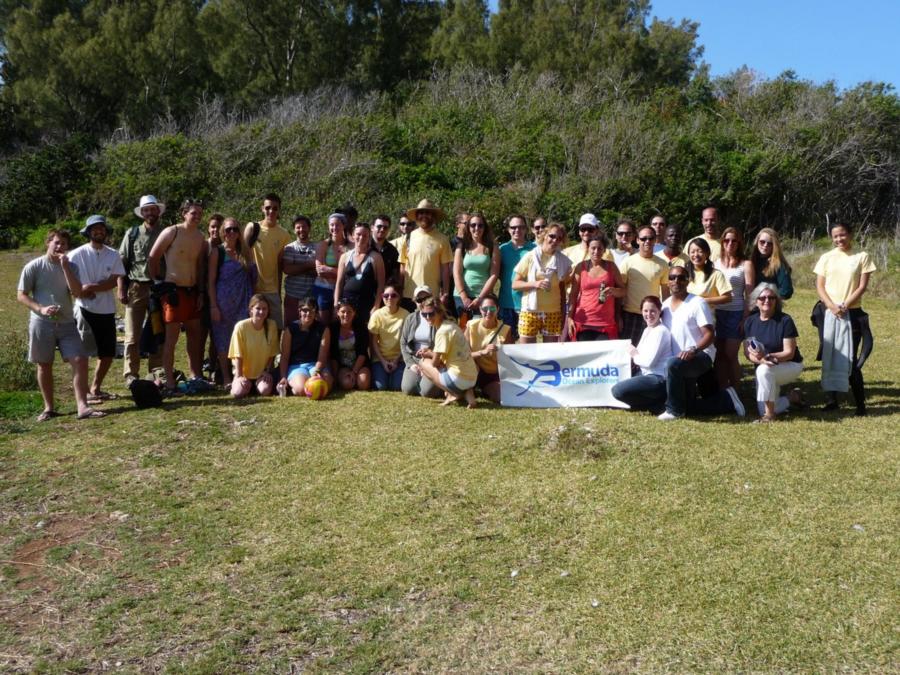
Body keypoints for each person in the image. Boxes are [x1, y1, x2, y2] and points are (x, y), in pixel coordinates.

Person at [17, 229, 102, 420]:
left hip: (66, 322)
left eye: (63, 244)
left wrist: (65, 267)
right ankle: (49, 408)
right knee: (44, 364)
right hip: (41, 323)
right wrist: (41, 309)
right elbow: (21, 295)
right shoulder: (34, 266)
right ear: (48, 243)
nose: (59, 247)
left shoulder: (71, 266)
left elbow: (77, 292)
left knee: (80, 359)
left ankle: (83, 407)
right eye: (56, 242)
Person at [657, 266, 745, 420]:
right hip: (679, 360)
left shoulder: (697, 303)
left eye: (681, 277)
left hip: (700, 356)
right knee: (688, 406)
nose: (676, 280)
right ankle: (728, 400)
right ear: (668, 281)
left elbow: (710, 335)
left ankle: (674, 411)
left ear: (688, 281)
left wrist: (694, 349)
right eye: (672, 277)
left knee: (672, 366)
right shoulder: (664, 305)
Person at [813, 222, 876, 416]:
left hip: (852, 312)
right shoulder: (826, 258)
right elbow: (820, 286)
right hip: (829, 312)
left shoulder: (861, 256)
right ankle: (832, 401)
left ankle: (860, 406)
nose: (839, 239)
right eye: (835, 236)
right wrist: (831, 306)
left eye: (842, 235)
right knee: (831, 354)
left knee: (850, 358)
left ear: (850, 234)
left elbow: (862, 286)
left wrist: (845, 305)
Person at [148, 198, 208, 394]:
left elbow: (199, 267)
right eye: (193, 213)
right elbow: (153, 257)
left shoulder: (200, 237)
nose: (197, 216)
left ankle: (195, 375)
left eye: (199, 213)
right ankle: (170, 381)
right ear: (184, 213)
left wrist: (200, 291)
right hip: (174, 290)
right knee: (171, 338)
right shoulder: (171, 232)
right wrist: (158, 282)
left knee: (194, 336)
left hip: (192, 291)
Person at [64, 215, 125, 404]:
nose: (99, 231)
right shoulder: (76, 254)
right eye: (94, 229)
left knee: (107, 353)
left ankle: (95, 388)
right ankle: (82, 394)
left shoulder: (113, 254)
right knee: (82, 354)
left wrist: (92, 288)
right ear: (89, 232)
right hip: (84, 309)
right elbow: (67, 280)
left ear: (105, 231)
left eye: (101, 228)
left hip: (106, 310)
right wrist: (80, 292)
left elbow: (115, 279)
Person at [118, 195, 165, 384]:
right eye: (146, 210)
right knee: (131, 335)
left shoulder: (166, 233)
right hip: (136, 288)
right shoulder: (132, 234)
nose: (150, 213)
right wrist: (121, 288)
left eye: (153, 209)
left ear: (158, 211)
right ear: (142, 213)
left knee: (158, 332)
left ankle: (155, 371)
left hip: (159, 290)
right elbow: (121, 264)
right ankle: (131, 374)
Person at [209, 217, 258, 389]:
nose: (232, 233)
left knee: (242, 338)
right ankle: (226, 377)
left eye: (235, 229)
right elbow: (211, 281)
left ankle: (242, 374)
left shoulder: (245, 251)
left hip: (243, 300)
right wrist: (213, 305)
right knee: (223, 339)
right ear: (223, 231)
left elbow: (254, 277)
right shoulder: (218, 252)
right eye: (228, 229)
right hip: (223, 302)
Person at [743, 283, 804, 422]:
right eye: (762, 298)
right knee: (762, 406)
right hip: (767, 366)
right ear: (755, 301)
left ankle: (770, 416)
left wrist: (767, 358)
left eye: (771, 298)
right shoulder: (750, 322)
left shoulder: (785, 320)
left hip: (790, 365)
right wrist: (760, 360)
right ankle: (793, 397)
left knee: (763, 371)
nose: (767, 301)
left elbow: (789, 352)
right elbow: (747, 353)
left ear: (777, 301)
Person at [611, 296, 675, 413]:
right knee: (616, 389)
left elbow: (648, 362)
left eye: (653, 311)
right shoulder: (647, 330)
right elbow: (641, 357)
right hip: (644, 374)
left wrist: (634, 354)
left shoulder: (661, 331)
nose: (649, 314)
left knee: (618, 390)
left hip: (657, 378)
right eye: (645, 311)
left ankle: (658, 405)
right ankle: (652, 404)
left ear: (659, 312)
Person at [512, 222, 573, 343]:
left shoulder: (564, 261)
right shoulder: (530, 256)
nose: (555, 240)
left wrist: (562, 314)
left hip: (553, 312)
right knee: (527, 353)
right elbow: (515, 284)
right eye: (552, 236)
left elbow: (562, 289)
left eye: (559, 238)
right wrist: (535, 284)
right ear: (544, 235)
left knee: (549, 354)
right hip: (530, 311)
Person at [416, 298, 478, 408]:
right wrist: (431, 352)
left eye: (431, 314)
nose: (427, 318)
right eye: (424, 314)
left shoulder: (442, 332)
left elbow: (435, 363)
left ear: (440, 313)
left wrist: (428, 355)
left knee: (423, 362)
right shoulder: (452, 325)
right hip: (472, 377)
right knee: (449, 367)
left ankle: (453, 394)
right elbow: (448, 355)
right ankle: (469, 396)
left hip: (458, 377)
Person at [244, 193, 292, 330]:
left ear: (279, 210)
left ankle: (274, 352)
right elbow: (243, 255)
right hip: (253, 289)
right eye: (268, 207)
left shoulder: (284, 235)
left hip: (272, 290)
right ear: (262, 208)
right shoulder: (253, 228)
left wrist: (278, 291)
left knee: (276, 329)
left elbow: (280, 265)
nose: (271, 211)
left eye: (275, 208)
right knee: (253, 329)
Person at [714, 226, 754, 388]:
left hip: (735, 313)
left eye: (734, 240)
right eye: (727, 240)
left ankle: (736, 389)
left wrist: (745, 318)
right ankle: (722, 389)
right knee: (719, 355)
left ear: (739, 243)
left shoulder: (746, 264)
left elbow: (750, 295)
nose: (730, 243)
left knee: (731, 355)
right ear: (722, 242)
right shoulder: (715, 263)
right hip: (717, 313)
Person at [566, 233, 624, 340]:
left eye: (599, 248)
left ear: (604, 250)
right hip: (583, 321)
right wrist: (569, 318)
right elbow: (573, 295)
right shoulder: (581, 267)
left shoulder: (611, 267)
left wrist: (613, 291)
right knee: (583, 356)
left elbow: (623, 291)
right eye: (593, 248)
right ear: (588, 249)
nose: (596, 252)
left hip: (605, 322)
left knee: (605, 356)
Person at [400, 198, 453, 311]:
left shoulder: (443, 239)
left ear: (433, 216)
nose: (424, 216)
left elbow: (445, 270)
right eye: (421, 213)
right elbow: (402, 267)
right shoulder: (408, 237)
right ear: (416, 216)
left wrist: (445, 294)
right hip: (409, 295)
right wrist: (399, 291)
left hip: (432, 296)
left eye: (428, 213)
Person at [618, 225, 668, 345]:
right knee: (628, 355)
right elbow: (620, 292)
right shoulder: (627, 262)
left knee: (649, 354)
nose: (647, 241)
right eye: (643, 238)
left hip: (653, 316)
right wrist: (618, 316)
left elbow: (666, 294)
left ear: (655, 240)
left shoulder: (663, 264)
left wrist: (664, 317)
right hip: (630, 315)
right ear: (637, 240)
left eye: (651, 238)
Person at [278, 297, 334, 396]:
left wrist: (316, 371)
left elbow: (323, 356)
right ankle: (293, 386)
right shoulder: (290, 329)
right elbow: (284, 357)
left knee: (327, 383)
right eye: (305, 310)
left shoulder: (323, 329)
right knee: (301, 389)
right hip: (296, 366)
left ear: (315, 312)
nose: (308, 314)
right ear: (299, 311)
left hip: (315, 365)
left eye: (311, 310)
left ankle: (297, 385)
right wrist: (283, 377)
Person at [334, 222, 385, 330]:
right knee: (346, 332)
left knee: (364, 333)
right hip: (347, 303)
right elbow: (339, 283)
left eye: (365, 235)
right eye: (358, 234)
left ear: (369, 237)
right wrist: (336, 304)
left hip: (366, 303)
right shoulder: (345, 257)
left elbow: (381, 284)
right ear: (353, 236)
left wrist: (376, 306)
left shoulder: (376, 257)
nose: (361, 237)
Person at [227, 294, 279, 398]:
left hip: (261, 374)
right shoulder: (241, 327)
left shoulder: (272, 325)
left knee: (265, 391)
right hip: (244, 374)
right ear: (251, 310)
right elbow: (237, 354)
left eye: (264, 309)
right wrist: (239, 376)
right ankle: (238, 385)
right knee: (238, 393)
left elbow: (272, 353)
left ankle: (255, 386)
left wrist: (266, 371)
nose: (261, 312)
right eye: (258, 308)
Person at [453, 212, 500, 324]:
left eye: (480, 225)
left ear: (485, 227)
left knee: (482, 329)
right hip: (461, 296)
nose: (476, 228)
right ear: (468, 227)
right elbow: (456, 272)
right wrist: (464, 296)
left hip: (483, 296)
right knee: (464, 332)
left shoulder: (492, 247)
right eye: (473, 225)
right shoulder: (462, 246)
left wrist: (480, 298)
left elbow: (494, 275)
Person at [464, 293, 512, 403]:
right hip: (474, 370)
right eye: (485, 309)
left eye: (492, 308)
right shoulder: (471, 326)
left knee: (500, 397)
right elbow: (464, 356)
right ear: (480, 310)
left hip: (494, 373)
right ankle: (470, 389)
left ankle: (484, 390)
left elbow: (509, 358)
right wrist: (482, 352)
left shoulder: (506, 329)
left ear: (498, 309)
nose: (489, 312)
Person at [399, 285, 443, 398]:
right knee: (407, 389)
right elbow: (403, 343)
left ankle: (442, 384)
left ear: (431, 299)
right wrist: (411, 364)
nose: (422, 301)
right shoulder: (410, 318)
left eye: (426, 298)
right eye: (419, 299)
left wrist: (428, 365)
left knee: (427, 392)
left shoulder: (438, 318)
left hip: (432, 359)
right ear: (414, 301)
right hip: (414, 358)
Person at [498, 214, 535, 340]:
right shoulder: (502, 249)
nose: (517, 230)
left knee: (528, 346)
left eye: (521, 227)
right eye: (513, 227)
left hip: (527, 304)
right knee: (507, 344)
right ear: (508, 229)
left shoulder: (534, 249)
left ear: (526, 229)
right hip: (506, 304)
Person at [368, 284, 409, 391]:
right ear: (382, 297)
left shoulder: (406, 315)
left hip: (399, 359)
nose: (389, 298)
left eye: (393, 295)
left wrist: (396, 361)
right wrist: (383, 361)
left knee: (396, 386)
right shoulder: (377, 315)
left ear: (399, 297)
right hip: (380, 358)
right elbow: (374, 341)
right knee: (381, 387)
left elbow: (406, 342)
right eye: (386, 295)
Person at [313, 212, 349, 325]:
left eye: (337, 224)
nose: (334, 228)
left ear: (343, 226)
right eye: (332, 225)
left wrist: (329, 270)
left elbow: (349, 273)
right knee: (323, 323)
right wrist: (339, 271)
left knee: (339, 322)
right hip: (323, 289)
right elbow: (320, 271)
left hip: (342, 290)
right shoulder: (322, 245)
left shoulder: (350, 246)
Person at [282, 215, 317, 325]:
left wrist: (297, 267)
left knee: (309, 327)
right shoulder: (289, 248)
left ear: (309, 228)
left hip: (311, 297)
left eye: (304, 227)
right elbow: (287, 269)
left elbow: (318, 271)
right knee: (291, 328)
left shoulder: (318, 247)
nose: (301, 230)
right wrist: (309, 265)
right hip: (293, 296)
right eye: (298, 227)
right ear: (294, 229)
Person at [330, 299, 371, 391]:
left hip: (360, 364)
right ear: (337, 312)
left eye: (349, 312)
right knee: (347, 384)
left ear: (354, 313)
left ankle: (358, 378)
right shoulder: (332, 329)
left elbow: (362, 352)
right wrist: (335, 376)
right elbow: (333, 355)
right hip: (343, 365)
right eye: (343, 312)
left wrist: (354, 372)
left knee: (363, 384)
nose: (346, 315)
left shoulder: (361, 327)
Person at [686, 237, 733, 307]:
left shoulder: (716, 274)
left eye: (700, 251)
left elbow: (728, 297)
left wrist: (702, 301)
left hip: (706, 315)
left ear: (707, 253)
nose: (696, 255)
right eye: (692, 252)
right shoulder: (684, 273)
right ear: (689, 254)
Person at [750, 228, 793, 300]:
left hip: (769, 307)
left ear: (774, 246)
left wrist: (768, 298)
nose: (765, 245)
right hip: (750, 306)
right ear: (757, 242)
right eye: (762, 242)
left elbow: (786, 292)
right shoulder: (751, 262)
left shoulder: (779, 265)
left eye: (770, 243)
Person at [371, 214, 400, 287]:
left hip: (383, 294)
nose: (382, 229)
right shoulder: (364, 246)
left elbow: (395, 274)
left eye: (385, 227)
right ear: (372, 227)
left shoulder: (392, 251)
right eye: (379, 226)